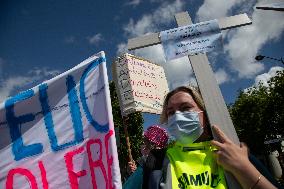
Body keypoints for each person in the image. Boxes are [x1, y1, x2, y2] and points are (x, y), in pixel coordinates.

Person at [146, 85, 280, 189]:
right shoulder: (157, 160)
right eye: (171, 113)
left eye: (185, 108)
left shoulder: (233, 151)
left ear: (205, 112)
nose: (177, 116)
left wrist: (243, 168)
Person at [123, 125, 169, 189]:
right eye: (143, 142)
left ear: (154, 144)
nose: (143, 145)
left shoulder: (146, 165)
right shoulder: (171, 162)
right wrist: (130, 174)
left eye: (145, 141)